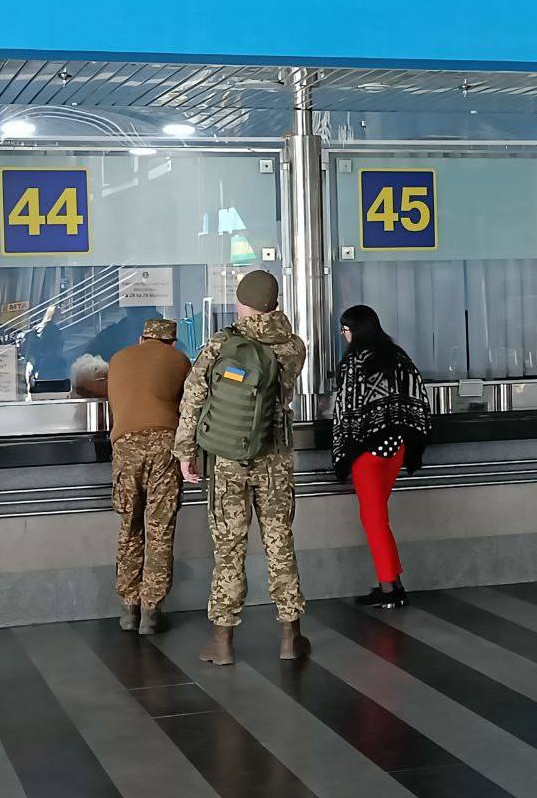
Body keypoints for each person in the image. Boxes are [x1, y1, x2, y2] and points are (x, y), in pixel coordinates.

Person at [174, 270, 309, 666]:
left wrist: (185, 452)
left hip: (227, 461)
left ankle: (223, 642)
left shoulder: (221, 344)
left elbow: (193, 398)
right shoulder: (293, 347)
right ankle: (290, 637)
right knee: (279, 543)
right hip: (275, 459)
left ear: (241, 303)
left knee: (229, 549)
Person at [332, 305, 432, 609]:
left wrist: (343, 452)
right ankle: (393, 581)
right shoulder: (397, 355)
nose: (343, 335)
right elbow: (417, 396)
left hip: (368, 453)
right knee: (378, 518)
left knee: (373, 519)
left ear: (354, 331)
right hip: (396, 448)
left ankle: (390, 589)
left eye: (344, 330)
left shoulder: (355, 362)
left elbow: (346, 410)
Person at [106, 318, 192, 635]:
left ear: (141, 338)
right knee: (160, 528)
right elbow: (190, 405)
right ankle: (151, 613)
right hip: (165, 445)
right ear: (171, 342)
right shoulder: (179, 360)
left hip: (125, 446)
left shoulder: (118, 358)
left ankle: (128, 609)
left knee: (130, 526)